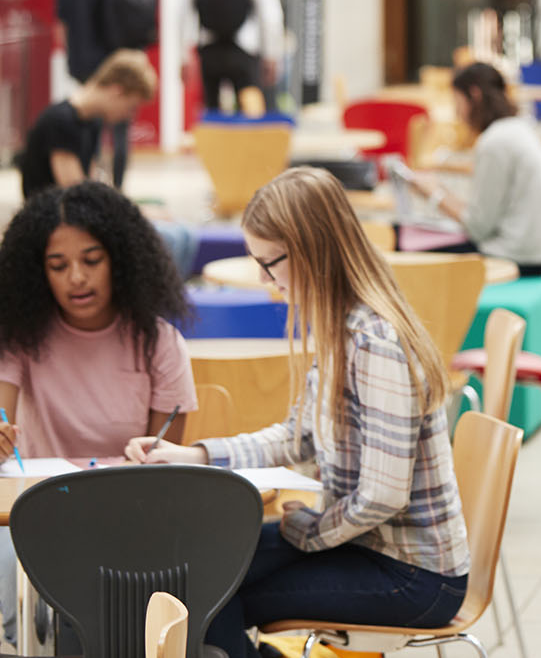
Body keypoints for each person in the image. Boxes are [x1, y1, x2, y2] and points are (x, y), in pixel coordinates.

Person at [123, 167, 470, 658]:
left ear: (313, 251)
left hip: (413, 574)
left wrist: (310, 532)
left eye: (270, 264)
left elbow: (383, 495)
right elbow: (298, 438)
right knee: (201, 569)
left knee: (210, 593)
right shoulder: (339, 327)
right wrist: (194, 453)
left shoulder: (374, 343)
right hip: (367, 545)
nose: (264, 280)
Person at [0, 181, 197, 643]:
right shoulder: (19, 339)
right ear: (36, 272)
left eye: (91, 261)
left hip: (130, 521)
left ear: (121, 260)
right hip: (38, 516)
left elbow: (166, 463)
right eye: (57, 265)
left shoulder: (160, 342)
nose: (76, 278)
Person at [401, 62, 541, 274]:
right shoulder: (518, 129)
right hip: (534, 251)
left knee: (404, 247)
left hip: (514, 256)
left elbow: (478, 228)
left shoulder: (494, 142)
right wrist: (441, 191)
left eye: (457, 103)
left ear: (474, 95)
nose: (457, 114)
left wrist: (434, 194)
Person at [53, 0, 156, 189]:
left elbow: (61, 21)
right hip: (125, 63)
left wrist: (71, 55)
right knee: (122, 131)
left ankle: (91, 186)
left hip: (86, 60)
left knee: (89, 126)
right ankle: (119, 190)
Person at [18, 50, 155, 201]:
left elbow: (90, 183)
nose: (128, 115)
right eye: (131, 107)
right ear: (117, 92)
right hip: (50, 219)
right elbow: (76, 194)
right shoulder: (60, 121)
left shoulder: (92, 121)